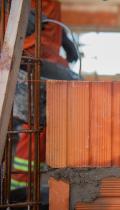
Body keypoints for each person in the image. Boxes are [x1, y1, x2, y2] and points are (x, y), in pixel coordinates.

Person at [11, 0, 80, 190]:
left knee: (46, 127)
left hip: (46, 54)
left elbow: (49, 16)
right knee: (35, 125)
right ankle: (19, 189)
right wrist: (12, 11)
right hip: (26, 55)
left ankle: (29, 186)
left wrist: (64, 38)